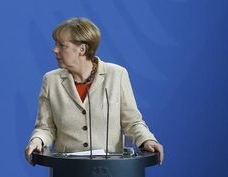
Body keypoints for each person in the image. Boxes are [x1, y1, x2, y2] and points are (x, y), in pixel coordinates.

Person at [24, 18, 164, 165]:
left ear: (82, 49)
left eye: (62, 45)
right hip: (67, 169)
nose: (55, 50)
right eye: (55, 44)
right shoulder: (51, 80)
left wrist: (147, 139)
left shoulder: (117, 75)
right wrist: (37, 140)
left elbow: (132, 122)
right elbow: (45, 127)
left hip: (110, 170)